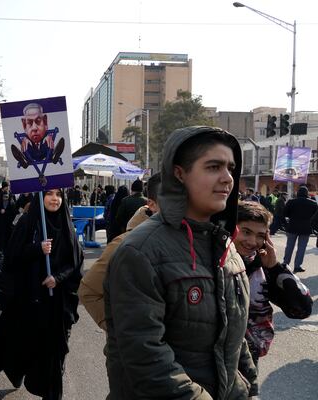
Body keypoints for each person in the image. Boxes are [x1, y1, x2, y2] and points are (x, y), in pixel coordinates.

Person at [104, 127, 257, 399]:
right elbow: (145, 356)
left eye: (230, 168)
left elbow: (233, 332)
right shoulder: (140, 251)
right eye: (213, 167)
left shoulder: (226, 246)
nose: (227, 178)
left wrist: (248, 385)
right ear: (179, 173)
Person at [0, 189, 83, 399]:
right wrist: (37, 249)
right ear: (40, 198)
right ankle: (17, 372)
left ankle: (50, 393)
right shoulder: (28, 222)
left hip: (57, 304)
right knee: (24, 345)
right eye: (49, 194)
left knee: (55, 352)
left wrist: (58, 277)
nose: (55, 199)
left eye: (59, 195)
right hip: (29, 300)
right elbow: (12, 257)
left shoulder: (65, 224)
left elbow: (75, 261)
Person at [234, 201, 312, 375]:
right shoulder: (213, 262)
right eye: (246, 232)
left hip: (247, 362)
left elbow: (302, 309)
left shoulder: (263, 267)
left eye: (260, 235)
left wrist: (276, 267)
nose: (252, 241)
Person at [78, 173, 161, 330]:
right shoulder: (125, 244)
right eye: (171, 197)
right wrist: (122, 332)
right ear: (152, 204)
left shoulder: (197, 241)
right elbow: (88, 291)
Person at [11, 103, 64, 168]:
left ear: (45, 121)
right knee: (25, 146)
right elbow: (25, 139)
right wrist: (24, 138)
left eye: (38, 121)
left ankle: (54, 155)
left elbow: (46, 134)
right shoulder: (27, 137)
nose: (34, 128)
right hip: (31, 154)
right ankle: (24, 160)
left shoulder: (46, 136)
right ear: (24, 125)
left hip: (45, 152)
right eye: (29, 123)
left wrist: (48, 135)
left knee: (49, 144)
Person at [282, 186, 317, 272]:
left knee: (289, 246)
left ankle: (285, 264)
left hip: (292, 227)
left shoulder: (291, 202)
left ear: (298, 193)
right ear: (307, 193)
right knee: (302, 248)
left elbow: (285, 213)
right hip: (306, 228)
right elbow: (315, 217)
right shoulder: (313, 203)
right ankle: (297, 266)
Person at [0, 188, 18, 254]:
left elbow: (14, 213)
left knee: (8, 237)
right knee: (0, 238)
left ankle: (7, 250)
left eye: (6, 197)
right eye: (4, 197)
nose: (5, 198)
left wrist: (6, 211)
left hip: (9, 224)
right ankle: (0, 250)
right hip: (0, 224)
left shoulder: (12, 203)